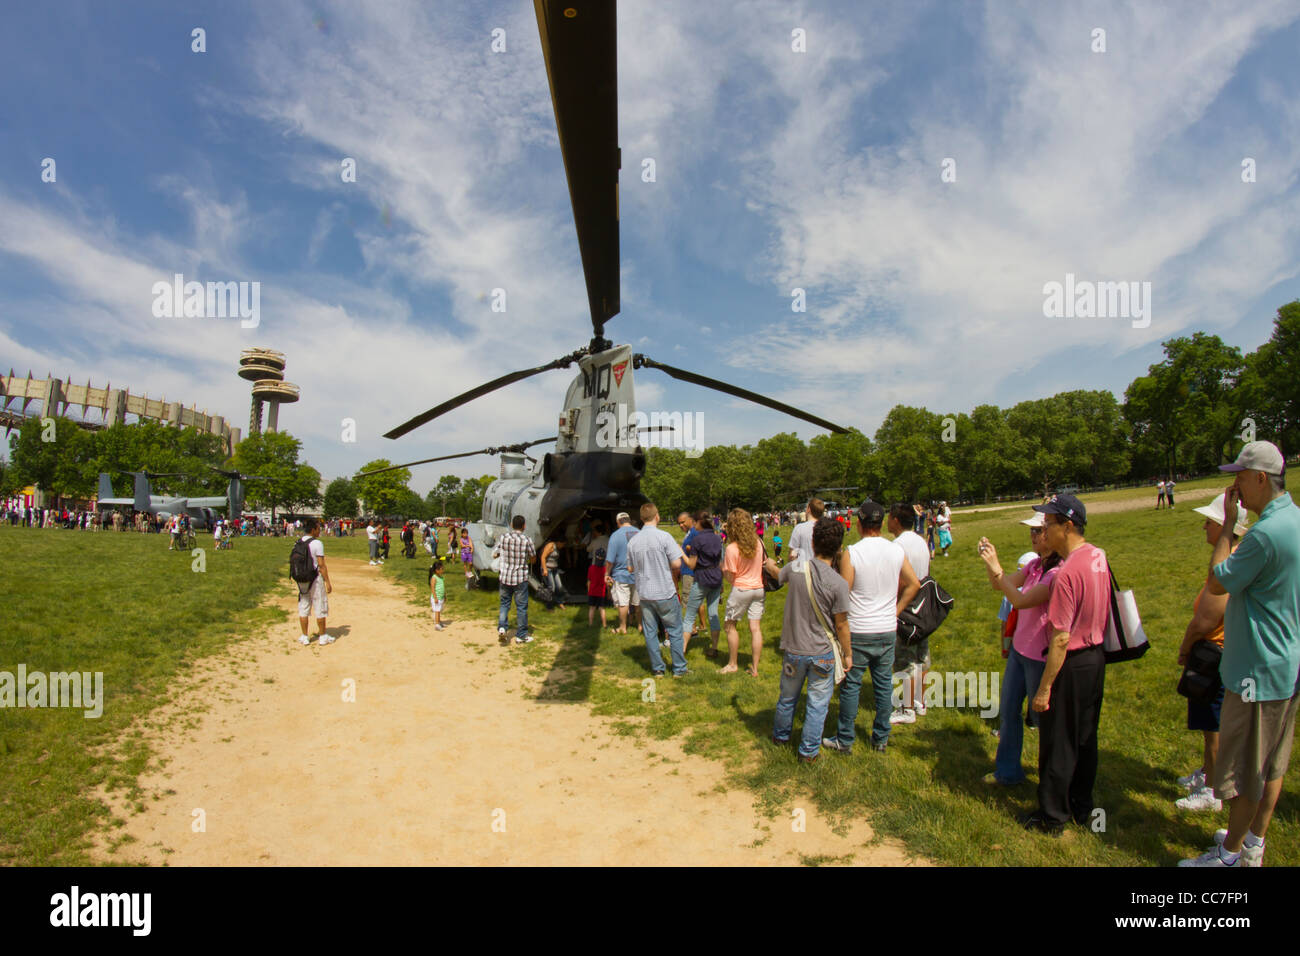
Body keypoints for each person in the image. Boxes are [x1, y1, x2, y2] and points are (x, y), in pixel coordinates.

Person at [1182, 442, 1300, 867]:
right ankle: (1253, 842)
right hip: (1285, 664)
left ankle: (1230, 856)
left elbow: (1217, 582)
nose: (1234, 485)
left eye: (1240, 476)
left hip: (1256, 670)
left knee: (1247, 770)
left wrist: (1230, 525)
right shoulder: (1294, 519)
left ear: (1261, 479)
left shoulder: (1265, 533)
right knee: (1271, 763)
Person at [1022, 493, 1109, 835]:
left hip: (1070, 661)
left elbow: (1060, 637)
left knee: (1057, 741)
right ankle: (1081, 805)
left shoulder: (1065, 573)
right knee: (1085, 736)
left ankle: (1053, 815)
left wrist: (1043, 690)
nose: (1044, 531)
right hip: (1095, 659)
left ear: (1068, 526)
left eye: (1049, 524)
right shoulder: (1097, 556)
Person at [823, 499, 921, 755]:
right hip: (886, 629)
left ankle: (845, 739)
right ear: (880, 523)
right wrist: (895, 611)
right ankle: (880, 738)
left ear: (859, 523)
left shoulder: (852, 553)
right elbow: (914, 584)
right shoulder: (895, 551)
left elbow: (843, 594)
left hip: (858, 629)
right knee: (883, 684)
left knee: (851, 685)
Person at [1173, 493, 1249, 812]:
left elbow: (1206, 618)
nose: (1204, 526)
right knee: (1210, 724)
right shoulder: (1237, 556)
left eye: (1209, 521)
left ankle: (1213, 790)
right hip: (1220, 652)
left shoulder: (1228, 563)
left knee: (1213, 725)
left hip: (1213, 655)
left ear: (1223, 525)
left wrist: (1185, 646)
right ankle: (1208, 773)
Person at [978, 512, 1062, 785]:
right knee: (1009, 711)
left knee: (1047, 721)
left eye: (1038, 531)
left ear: (1052, 534)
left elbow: (1022, 600)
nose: (1033, 536)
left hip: (1040, 657)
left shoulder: (1057, 572)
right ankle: (1008, 772)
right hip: (1019, 652)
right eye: (1032, 531)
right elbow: (999, 585)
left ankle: (1052, 779)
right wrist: (991, 561)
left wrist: (997, 566)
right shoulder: (1035, 565)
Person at [766, 517, 852, 763]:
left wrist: (770, 564)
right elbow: (842, 624)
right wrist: (848, 654)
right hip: (823, 653)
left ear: (813, 543)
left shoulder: (795, 569)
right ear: (838, 548)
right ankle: (808, 752)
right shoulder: (839, 583)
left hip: (794, 649)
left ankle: (780, 737)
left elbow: (777, 575)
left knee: (787, 697)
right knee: (817, 704)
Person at [626, 502, 687, 677]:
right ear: (657, 516)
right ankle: (679, 668)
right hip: (664, 591)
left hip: (645, 593)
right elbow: (676, 563)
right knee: (675, 630)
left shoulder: (633, 541)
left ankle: (658, 668)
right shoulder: (665, 537)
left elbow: (630, 568)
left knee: (650, 632)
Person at [887, 503, 932, 724]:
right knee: (922, 656)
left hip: (906, 604)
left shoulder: (897, 545)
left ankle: (906, 709)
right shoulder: (921, 541)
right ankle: (920, 702)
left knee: (906, 658)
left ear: (896, 520)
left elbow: (899, 579)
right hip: (924, 604)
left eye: (889, 516)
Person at [720, 508, 766, 677]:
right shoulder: (759, 542)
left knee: (730, 625)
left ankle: (732, 663)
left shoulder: (732, 548)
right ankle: (754, 667)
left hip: (741, 588)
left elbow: (731, 577)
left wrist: (723, 569)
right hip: (758, 589)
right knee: (755, 628)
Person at [682, 513, 724, 658]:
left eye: (694, 521)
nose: (693, 524)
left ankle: (682, 650)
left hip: (702, 580)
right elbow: (721, 562)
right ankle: (714, 647)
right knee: (713, 614)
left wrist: (681, 552)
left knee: (689, 616)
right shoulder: (718, 537)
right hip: (716, 578)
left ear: (700, 522)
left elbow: (692, 565)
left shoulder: (697, 539)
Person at [493, 515, 536, 645]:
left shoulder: (504, 537)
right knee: (521, 607)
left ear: (512, 525)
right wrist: (526, 560)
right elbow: (533, 557)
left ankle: (502, 627)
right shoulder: (527, 540)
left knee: (505, 603)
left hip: (505, 576)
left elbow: (496, 552)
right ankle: (521, 635)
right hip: (520, 577)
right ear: (524, 526)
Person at [296, 517, 334, 645]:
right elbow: (321, 565)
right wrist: (327, 582)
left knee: (304, 607)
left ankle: (304, 636)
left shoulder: (298, 542)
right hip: (315, 579)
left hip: (302, 579)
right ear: (313, 530)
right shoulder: (317, 543)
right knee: (320, 606)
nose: (319, 531)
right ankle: (322, 636)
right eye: (318, 529)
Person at [604, 512, 639, 635]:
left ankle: (622, 627)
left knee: (623, 603)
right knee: (638, 602)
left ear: (618, 522)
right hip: (638, 574)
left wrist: (606, 573)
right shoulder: (639, 533)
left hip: (621, 574)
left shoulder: (615, 535)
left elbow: (610, 559)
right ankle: (640, 626)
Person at [786, 498, 824, 564]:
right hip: (823, 570)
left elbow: (792, 555)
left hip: (804, 570)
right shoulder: (827, 529)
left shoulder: (799, 528)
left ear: (809, 509)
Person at [540, 538, 568, 610]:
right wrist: (545, 569)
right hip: (548, 569)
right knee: (551, 587)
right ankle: (549, 606)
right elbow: (543, 557)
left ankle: (560, 602)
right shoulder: (551, 545)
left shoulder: (557, 548)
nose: (563, 546)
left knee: (559, 586)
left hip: (554, 569)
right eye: (563, 544)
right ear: (559, 542)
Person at [587, 548, 609, 629]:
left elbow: (589, 581)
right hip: (601, 592)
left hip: (592, 591)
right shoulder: (605, 569)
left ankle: (590, 624)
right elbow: (606, 583)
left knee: (592, 608)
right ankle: (604, 625)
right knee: (602, 609)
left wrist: (588, 591)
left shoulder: (591, 568)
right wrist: (608, 591)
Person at [428, 560, 446, 630]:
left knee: (440, 610)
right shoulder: (434, 578)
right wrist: (435, 597)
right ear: (437, 570)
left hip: (441, 597)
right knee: (437, 610)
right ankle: (437, 624)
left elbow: (443, 587)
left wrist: (444, 595)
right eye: (441, 569)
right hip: (436, 598)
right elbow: (432, 588)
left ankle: (439, 621)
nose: (443, 570)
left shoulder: (441, 577)